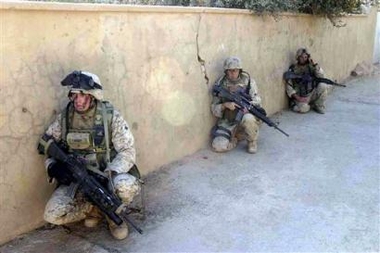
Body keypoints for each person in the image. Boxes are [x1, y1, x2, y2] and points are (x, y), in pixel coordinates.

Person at [37, 71, 141, 240]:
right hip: (77, 178)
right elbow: (45, 143)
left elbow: (128, 150)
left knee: (126, 186)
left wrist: (111, 173)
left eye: (83, 95)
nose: (78, 101)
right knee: (52, 214)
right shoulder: (66, 117)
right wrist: (52, 166)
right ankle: (93, 210)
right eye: (75, 95)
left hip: (106, 176)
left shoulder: (109, 115)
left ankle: (112, 216)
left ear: (93, 96)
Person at [211, 56, 263, 154]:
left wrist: (247, 106)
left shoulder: (248, 81)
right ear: (226, 71)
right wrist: (225, 105)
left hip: (245, 117)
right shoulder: (220, 84)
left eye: (234, 70)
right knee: (218, 147)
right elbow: (214, 108)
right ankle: (235, 139)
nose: (232, 74)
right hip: (228, 121)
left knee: (249, 119)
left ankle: (252, 141)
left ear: (240, 70)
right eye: (229, 71)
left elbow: (257, 100)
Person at [285, 48, 328, 114]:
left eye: (305, 57)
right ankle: (296, 104)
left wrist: (315, 66)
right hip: (301, 96)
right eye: (301, 57)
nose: (303, 59)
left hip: (311, 93)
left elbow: (321, 76)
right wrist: (298, 98)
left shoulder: (311, 67)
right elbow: (289, 87)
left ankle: (318, 105)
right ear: (298, 57)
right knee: (304, 109)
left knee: (323, 85)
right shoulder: (293, 69)